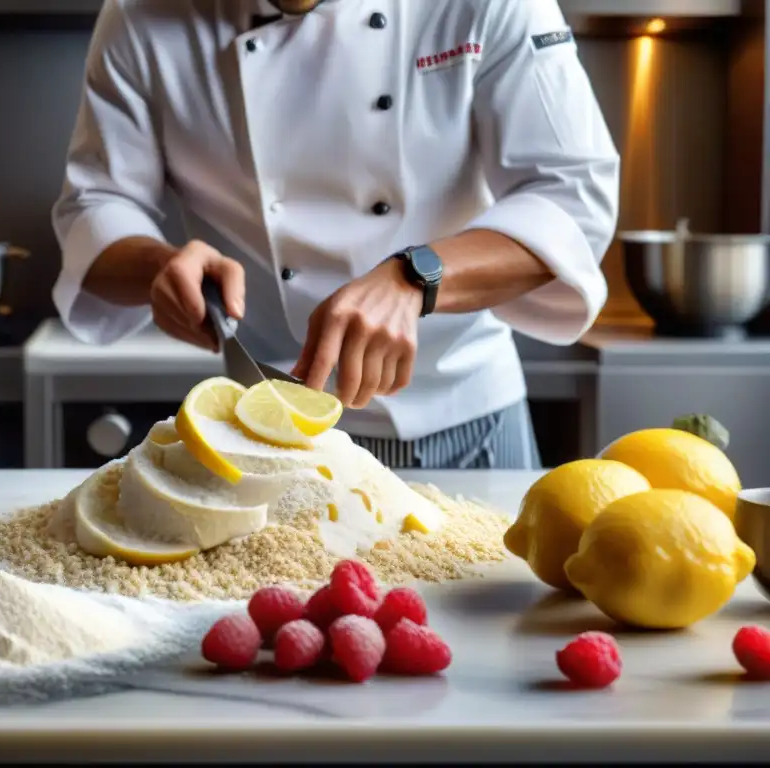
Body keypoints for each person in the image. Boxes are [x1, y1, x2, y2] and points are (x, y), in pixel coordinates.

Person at [51, 0, 619, 470]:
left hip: (469, 423)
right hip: (268, 434)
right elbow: (97, 205)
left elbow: (573, 194)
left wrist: (415, 276)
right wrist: (159, 267)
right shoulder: (141, 16)